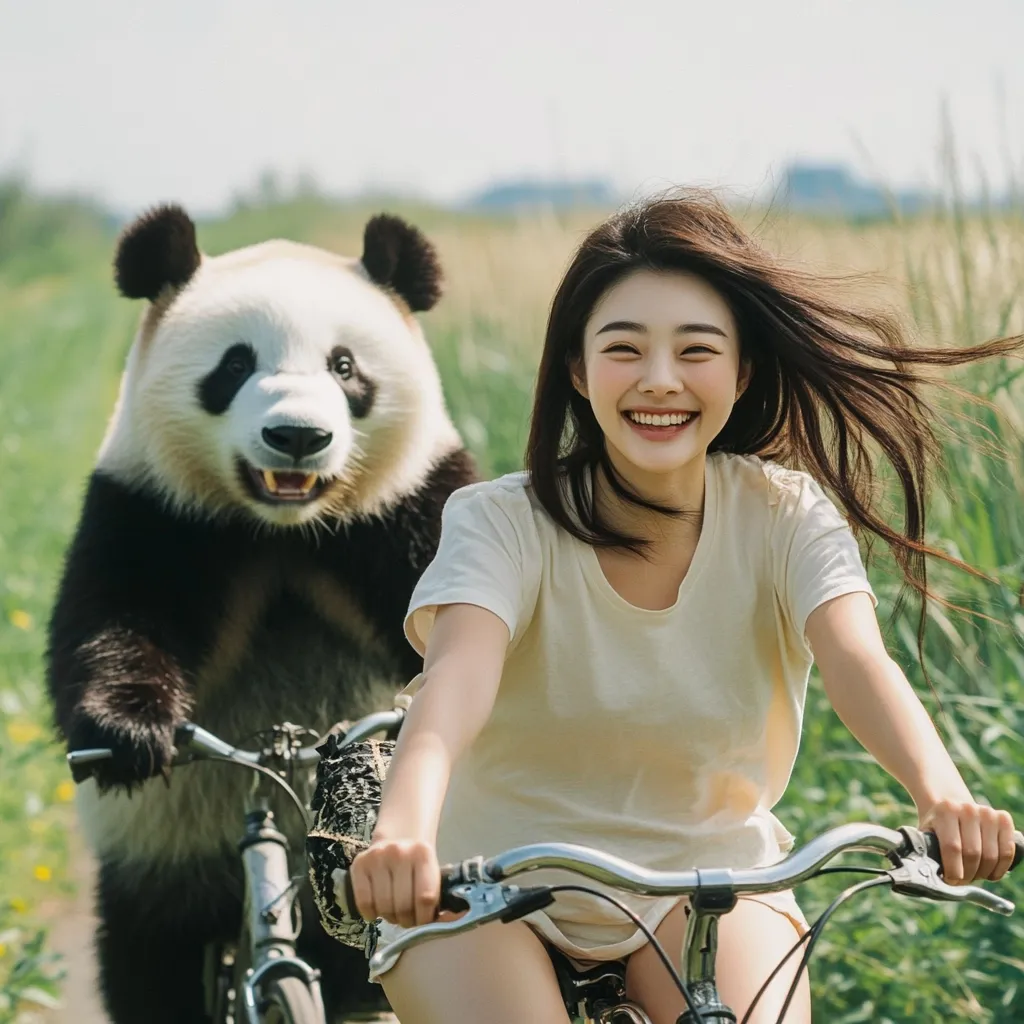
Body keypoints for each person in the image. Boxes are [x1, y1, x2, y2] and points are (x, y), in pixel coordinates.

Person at [345, 189, 1022, 1024]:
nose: (659, 381)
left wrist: (944, 797)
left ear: (740, 372)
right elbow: (454, 685)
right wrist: (403, 832)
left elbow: (856, 661)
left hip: (708, 883)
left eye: (695, 350)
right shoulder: (500, 521)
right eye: (623, 349)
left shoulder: (786, 516)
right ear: (577, 370)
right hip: (485, 881)